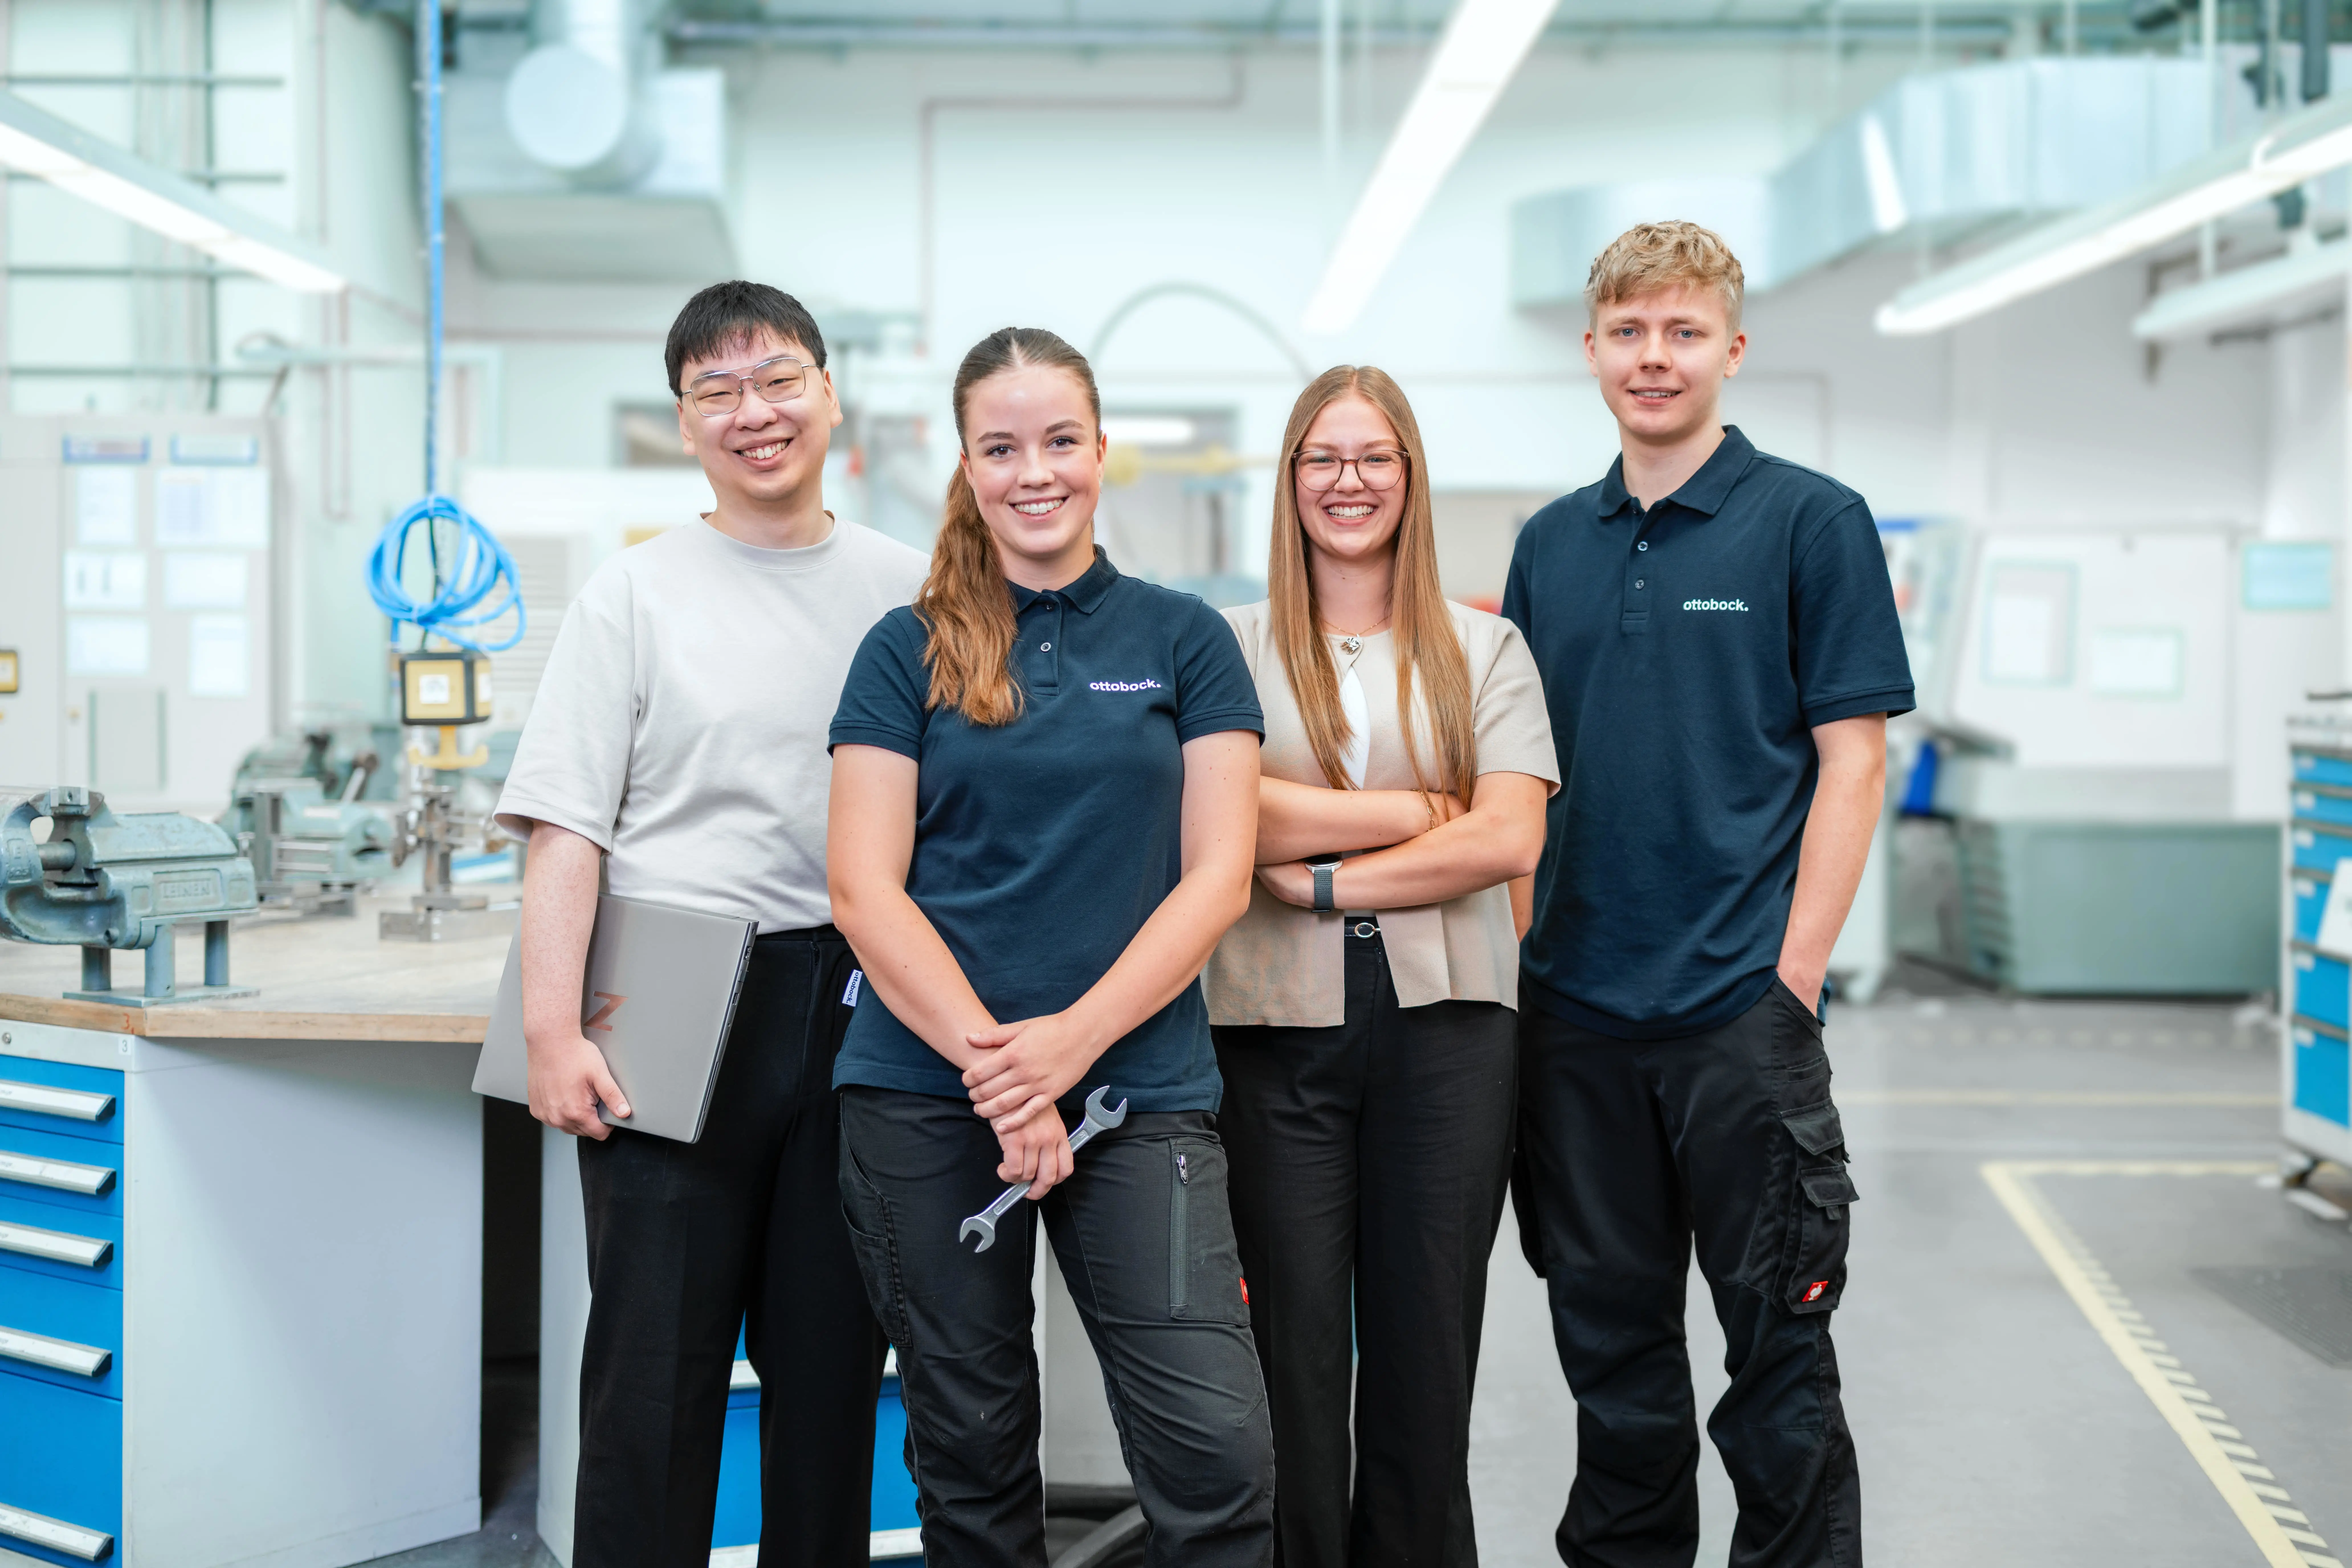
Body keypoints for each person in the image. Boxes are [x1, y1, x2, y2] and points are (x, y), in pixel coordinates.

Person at [826, 326, 1276, 1568]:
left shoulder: (1185, 640)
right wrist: (1001, 1073)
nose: (1037, 470)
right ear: (967, 468)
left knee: (1216, 1448)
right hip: (925, 1095)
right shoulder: (904, 650)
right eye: (1002, 446)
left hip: (1138, 1091)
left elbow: (1218, 877)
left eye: (1061, 440)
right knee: (970, 1455)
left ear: (1100, 452)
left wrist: (1066, 1050)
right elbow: (865, 888)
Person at [495, 281, 928, 1568]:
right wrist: (549, 1028)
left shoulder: (910, 588)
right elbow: (568, 824)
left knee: (832, 1370)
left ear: (831, 393)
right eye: (718, 392)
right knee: (650, 1376)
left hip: (859, 1003)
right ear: (684, 424)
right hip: (671, 995)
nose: (756, 412)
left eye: (779, 378)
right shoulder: (632, 595)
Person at [1502, 221, 1912, 1568]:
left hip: (1740, 1013)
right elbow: (1522, 781)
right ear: (1592, 351)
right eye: (1630, 331)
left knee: (1779, 1367)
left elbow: (1857, 759)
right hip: (1575, 1019)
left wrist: (1790, 977)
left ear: (1733, 348)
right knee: (1613, 1368)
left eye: (1683, 331)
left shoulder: (1812, 522)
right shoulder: (1550, 547)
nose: (1655, 357)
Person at [1203, 365, 1556, 1568]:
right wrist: (1414, 813)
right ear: (1291, 479)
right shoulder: (1226, 646)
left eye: (1373, 458)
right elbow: (1217, 815)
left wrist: (1323, 873)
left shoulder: (1485, 648)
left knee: (1426, 1345)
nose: (1348, 482)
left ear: (1409, 476)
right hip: (1269, 1029)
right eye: (1322, 458)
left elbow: (1509, 835)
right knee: (1289, 1352)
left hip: (1450, 1033)